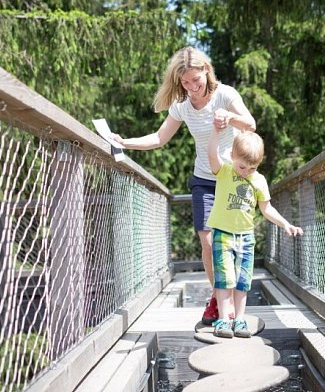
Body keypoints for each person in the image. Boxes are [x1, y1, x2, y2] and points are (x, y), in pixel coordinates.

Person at [112, 46, 256, 325]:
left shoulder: (225, 95)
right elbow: (159, 138)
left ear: (206, 71)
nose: (191, 87)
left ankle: (232, 302)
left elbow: (250, 124)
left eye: (196, 80)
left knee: (232, 244)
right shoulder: (182, 105)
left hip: (233, 180)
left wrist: (230, 118)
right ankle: (220, 299)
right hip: (203, 178)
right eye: (185, 82)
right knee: (208, 240)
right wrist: (125, 142)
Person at [206, 127, 303, 338]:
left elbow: (266, 208)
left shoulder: (259, 180)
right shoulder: (224, 171)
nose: (245, 171)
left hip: (246, 237)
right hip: (223, 234)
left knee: (242, 280)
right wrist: (215, 131)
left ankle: (239, 320)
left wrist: (285, 224)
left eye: (252, 168)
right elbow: (212, 153)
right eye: (242, 166)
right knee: (224, 279)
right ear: (232, 156)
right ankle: (224, 319)